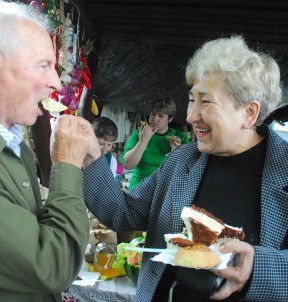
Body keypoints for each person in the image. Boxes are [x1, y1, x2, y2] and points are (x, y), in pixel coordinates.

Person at [79, 35, 288, 301]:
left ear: (249, 113)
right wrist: (92, 158)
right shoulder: (182, 161)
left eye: (206, 101)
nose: (190, 116)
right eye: (192, 100)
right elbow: (122, 213)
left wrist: (257, 268)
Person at [0, 2, 90, 301]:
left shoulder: (9, 140)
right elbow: (54, 266)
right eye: (43, 65)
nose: (55, 82)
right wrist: (67, 164)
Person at [122, 97, 189, 189]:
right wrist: (143, 141)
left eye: (161, 116)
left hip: (166, 188)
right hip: (140, 187)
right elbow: (127, 165)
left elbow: (187, 171)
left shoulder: (180, 138)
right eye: (153, 114)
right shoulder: (139, 134)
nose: (155, 118)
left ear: (170, 119)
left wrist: (177, 153)